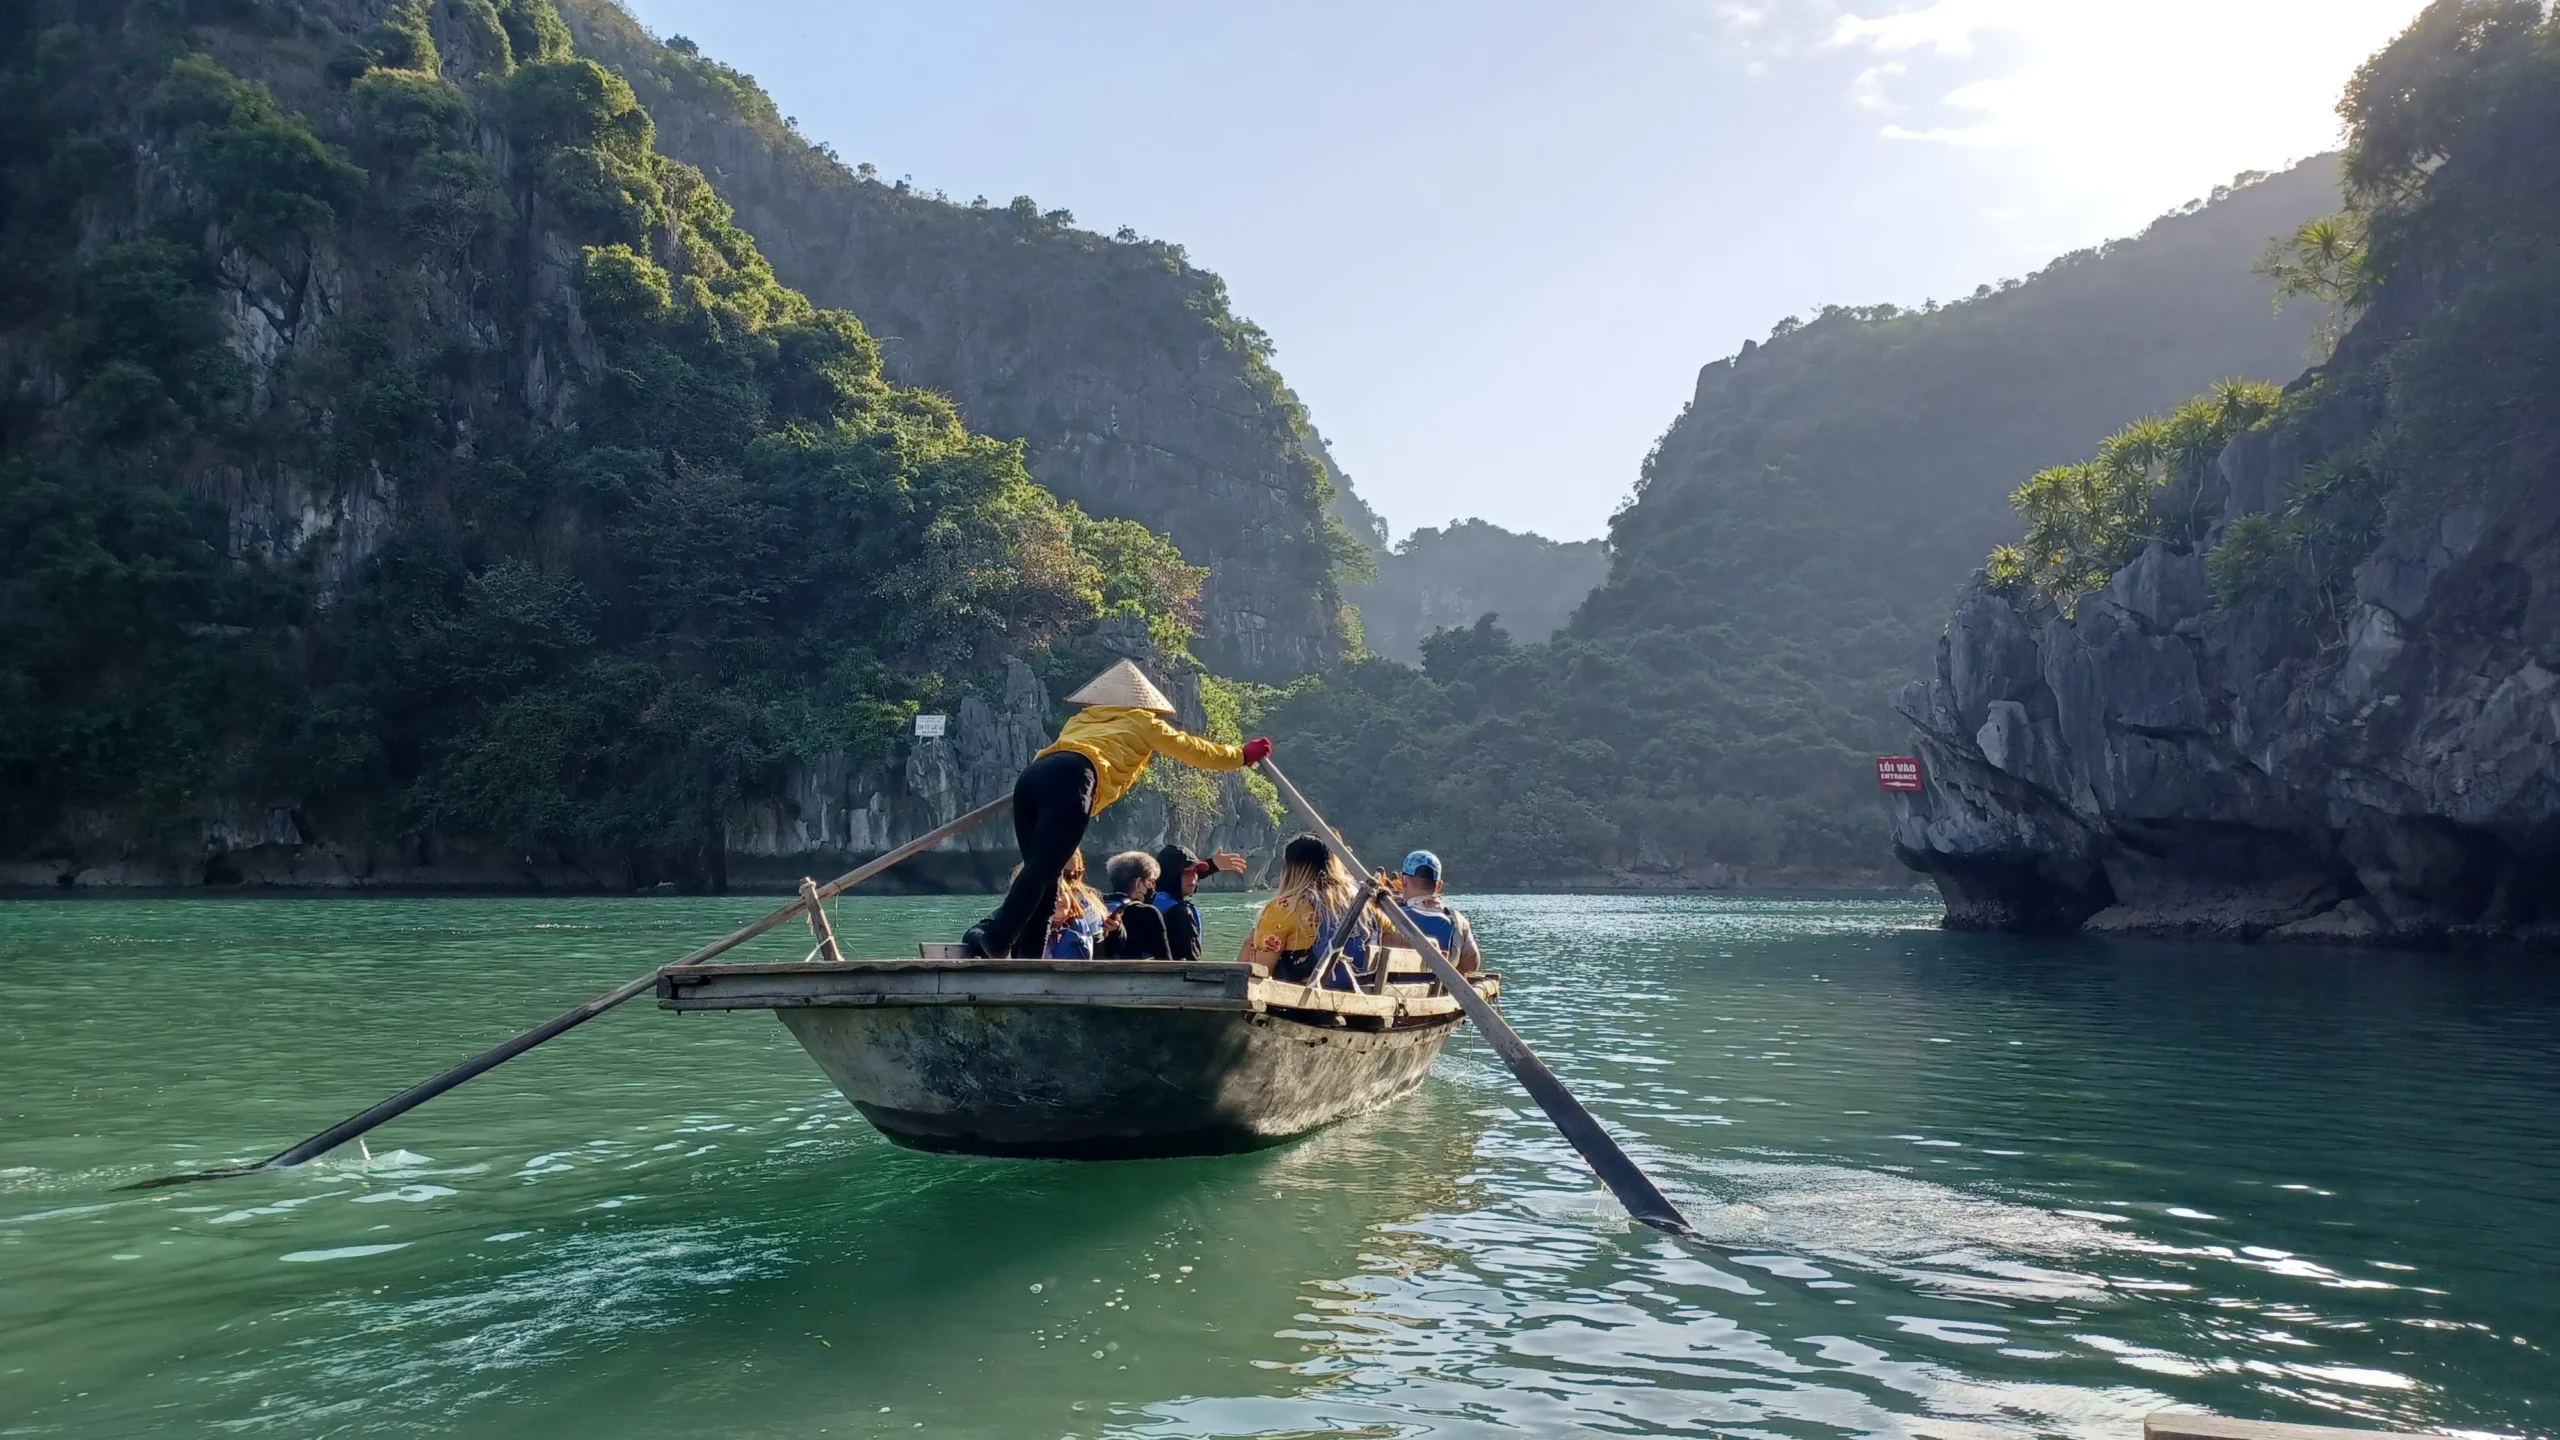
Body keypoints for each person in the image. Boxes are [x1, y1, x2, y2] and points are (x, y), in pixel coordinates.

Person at [963, 660, 1270, 958]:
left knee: (1045, 875)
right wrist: (1242, 756)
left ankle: (1028, 958)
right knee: (1044, 872)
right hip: (1074, 776)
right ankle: (998, 937)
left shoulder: (1083, 719)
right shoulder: (1143, 721)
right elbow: (1196, 751)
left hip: (1032, 777)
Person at [1239, 834, 1374, 989]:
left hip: (1302, 1001)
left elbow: (1260, 972)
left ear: (1290, 869)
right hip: (1359, 990)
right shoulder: (1363, 904)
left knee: (1250, 942)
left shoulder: (1285, 908)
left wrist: (1251, 940)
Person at [1151, 843, 1247, 963]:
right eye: (1187, 872)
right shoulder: (1181, 915)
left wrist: (1213, 864)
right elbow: (1191, 964)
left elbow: (1175, 877)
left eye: (1195, 871)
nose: (1194, 878)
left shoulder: (1147, 899)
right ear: (1172, 876)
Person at [1390, 849, 1480, 975]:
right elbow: (1471, 966)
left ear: (1403, 882)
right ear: (1439, 886)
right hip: (1440, 988)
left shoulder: (1389, 916)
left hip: (1398, 988)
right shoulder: (1458, 921)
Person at [1099, 850, 1172, 959]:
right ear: (1138, 883)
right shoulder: (1148, 913)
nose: (1153, 887)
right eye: (1151, 881)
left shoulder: (1096, 905)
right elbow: (1165, 961)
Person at [1044, 851, 1108, 959]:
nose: (1072, 881)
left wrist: (1116, 931)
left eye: (1077, 874)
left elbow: (1099, 950)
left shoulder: (1086, 902)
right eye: (1065, 875)